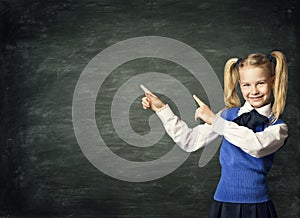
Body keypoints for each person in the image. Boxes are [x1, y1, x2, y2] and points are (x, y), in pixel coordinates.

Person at [141, 51, 288, 218]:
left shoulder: (278, 127)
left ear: (273, 82)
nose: (253, 91)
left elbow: (256, 146)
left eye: (260, 83)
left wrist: (215, 121)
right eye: (246, 85)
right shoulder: (227, 116)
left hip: (257, 207)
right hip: (223, 204)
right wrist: (162, 109)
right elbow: (189, 141)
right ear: (240, 84)